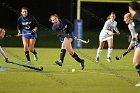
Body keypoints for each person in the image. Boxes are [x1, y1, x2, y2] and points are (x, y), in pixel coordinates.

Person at [129, 1, 140, 86]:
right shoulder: (137, 15)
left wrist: (138, 33)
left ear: (130, 8)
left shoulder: (136, 16)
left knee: (136, 61)